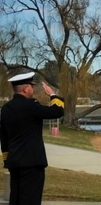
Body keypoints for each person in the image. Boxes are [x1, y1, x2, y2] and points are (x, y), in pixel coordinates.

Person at [0, 71, 64, 205]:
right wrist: (52, 95)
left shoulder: (5, 109)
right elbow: (57, 112)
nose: (33, 89)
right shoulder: (31, 106)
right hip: (32, 163)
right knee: (31, 199)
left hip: (15, 162)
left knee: (16, 198)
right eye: (31, 86)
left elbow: (4, 138)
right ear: (25, 88)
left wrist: (7, 160)